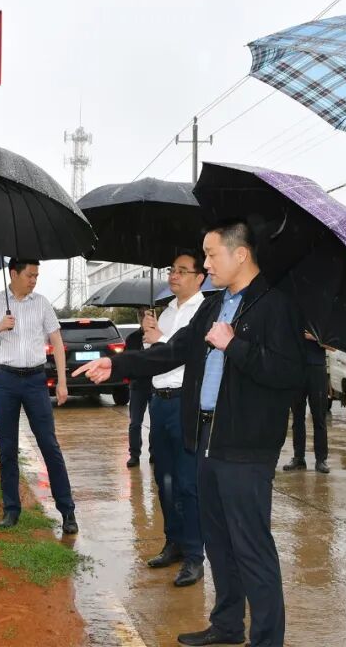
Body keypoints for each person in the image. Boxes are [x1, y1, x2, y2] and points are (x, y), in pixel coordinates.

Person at [75, 220, 304, 647]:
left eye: (211, 255)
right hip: (205, 437)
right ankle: (227, 625)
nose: (206, 264)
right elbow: (175, 350)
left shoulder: (275, 305)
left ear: (240, 254)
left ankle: (267, 639)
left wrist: (234, 345)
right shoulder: (213, 306)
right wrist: (117, 364)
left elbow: (288, 374)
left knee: (251, 547)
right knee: (218, 541)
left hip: (246, 446)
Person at [0, 258, 78, 535]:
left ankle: (67, 510)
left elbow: (57, 342)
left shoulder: (41, 303)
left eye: (36, 276)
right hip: (5, 380)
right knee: (7, 448)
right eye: (29, 275)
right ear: (13, 274)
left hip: (35, 381)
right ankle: (11, 509)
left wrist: (62, 382)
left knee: (49, 445)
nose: (34, 280)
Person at [138, 250, 208, 588]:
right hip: (159, 401)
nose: (174, 276)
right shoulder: (165, 312)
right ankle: (174, 542)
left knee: (186, 482)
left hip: (185, 403)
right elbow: (155, 356)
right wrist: (149, 336)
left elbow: (188, 353)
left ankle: (195, 555)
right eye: (171, 269)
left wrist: (159, 340)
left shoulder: (203, 311)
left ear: (199, 278)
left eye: (182, 270)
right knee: (163, 478)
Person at [282, 330, 330, 473]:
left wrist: (313, 336)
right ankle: (298, 458)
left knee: (319, 416)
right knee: (297, 416)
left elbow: (333, 346)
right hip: (296, 368)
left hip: (317, 368)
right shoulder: (294, 318)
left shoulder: (321, 321)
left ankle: (321, 459)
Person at [125, 308, 155, 468]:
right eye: (143, 316)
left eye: (149, 315)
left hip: (156, 384)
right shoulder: (132, 338)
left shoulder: (159, 336)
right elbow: (128, 360)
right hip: (137, 386)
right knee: (135, 422)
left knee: (156, 422)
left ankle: (154, 452)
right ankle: (134, 454)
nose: (145, 318)